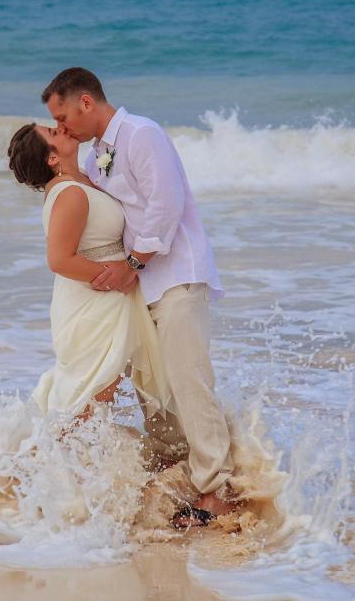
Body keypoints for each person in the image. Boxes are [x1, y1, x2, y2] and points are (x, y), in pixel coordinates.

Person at [41, 67, 237, 527]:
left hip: (174, 276)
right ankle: (179, 474)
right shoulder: (94, 157)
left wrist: (132, 265)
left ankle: (219, 490)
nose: (63, 126)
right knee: (155, 388)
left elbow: (164, 206)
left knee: (188, 380)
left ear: (86, 102)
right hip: (141, 286)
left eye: (64, 115)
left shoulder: (142, 134)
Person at [7, 123, 171, 426]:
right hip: (94, 299)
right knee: (96, 392)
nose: (61, 128)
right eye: (53, 134)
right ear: (52, 158)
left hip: (108, 297)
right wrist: (119, 275)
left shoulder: (82, 179)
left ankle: (74, 462)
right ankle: (57, 462)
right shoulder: (69, 192)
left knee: (103, 388)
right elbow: (58, 260)